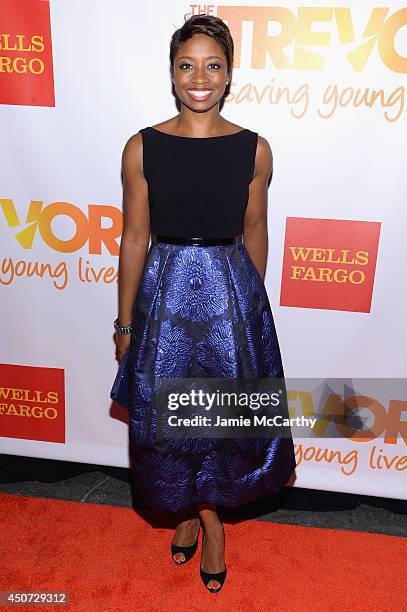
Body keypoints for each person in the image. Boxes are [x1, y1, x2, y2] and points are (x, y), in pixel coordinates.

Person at [110, 13, 296, 593]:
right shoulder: (142, 147)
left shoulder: (255, 150)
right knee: (171, 421)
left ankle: (206, 522)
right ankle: (195, 514)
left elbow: (256, 230)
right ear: (172, 73)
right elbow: (135, 238)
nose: (199, 77)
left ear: (228, 75)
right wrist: (123, 322)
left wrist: (248, 308)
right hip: (164, 297)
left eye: (212, 66)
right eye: (186, 65)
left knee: (218, 421)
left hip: (230, 298)